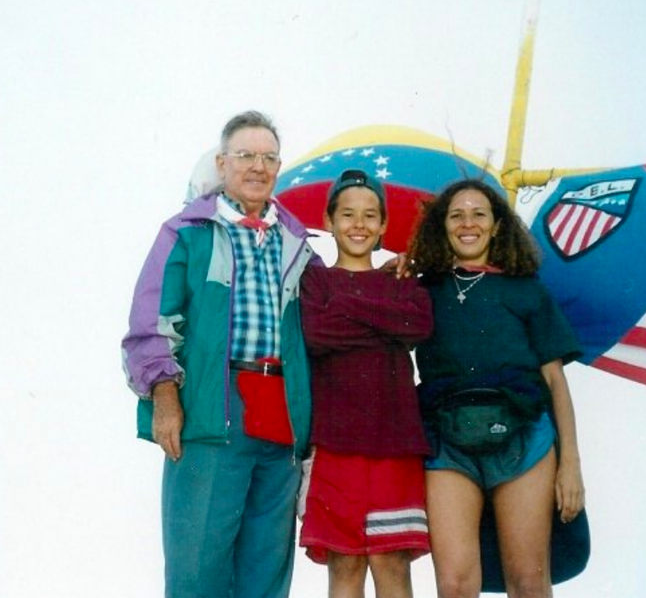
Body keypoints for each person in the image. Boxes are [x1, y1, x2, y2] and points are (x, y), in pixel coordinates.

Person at [121, 110, 321, 598]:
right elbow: (151, 325)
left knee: (266, 569)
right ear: (222, 163)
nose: (258, 166)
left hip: (283, 415)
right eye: (246, 155)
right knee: (197, 568)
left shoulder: (298, 244)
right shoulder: (187, 233)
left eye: (269, 158)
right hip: (213, 407)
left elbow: (329, 321)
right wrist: (164, 398)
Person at [407, 179, 586, 598]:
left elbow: (556, 381)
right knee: (454, 585)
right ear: (442, 225)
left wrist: (571, 464)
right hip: (446, 444)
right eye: (457, 215)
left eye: (479, 214)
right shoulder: (420, 291)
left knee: (528, 581)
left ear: (497, 225)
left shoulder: (528, 289)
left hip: (524, 441)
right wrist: (393, 271)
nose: (468, 223)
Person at [298, 169, 434, 598]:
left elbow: (417, 325)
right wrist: (384, 321)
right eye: (348, 214)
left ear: (383, 224)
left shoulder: (401, 279)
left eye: (370, 215)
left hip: (395, 441)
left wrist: (346, 307)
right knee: (345, 563)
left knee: (392, 563)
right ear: (329, 220)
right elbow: (317, 333)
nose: (359, 224)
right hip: (334, 442)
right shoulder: (315, 279)